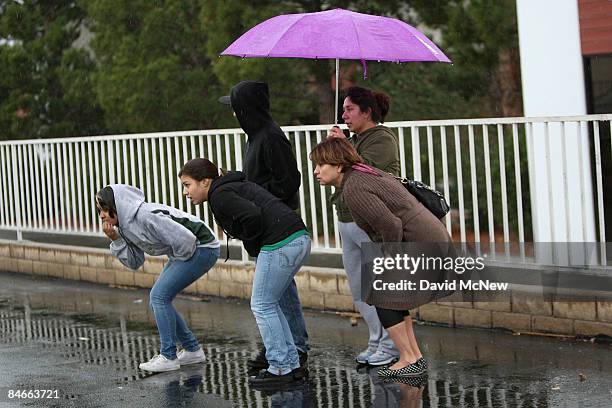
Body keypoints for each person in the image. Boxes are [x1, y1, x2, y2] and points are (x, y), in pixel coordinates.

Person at [310, 138, 454, 378]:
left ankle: (410, 358)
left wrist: (389, 261)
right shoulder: (361, 174)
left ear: (338, 166)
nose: (316, 171)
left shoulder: (354, 188)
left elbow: (390, 225)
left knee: (383, 295)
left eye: (320, 165)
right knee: (390, 297)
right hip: (428, 238)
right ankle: (413, 357)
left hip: (422, 242)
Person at [178, 158, 311, 386]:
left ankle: (280, 367)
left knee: (262, 305)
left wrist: (250, 240)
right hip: (298, 237)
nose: (185, 192)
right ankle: (291, 364)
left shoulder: (220, 195)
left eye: (188, 185)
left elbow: (252, 216)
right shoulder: (229, 186)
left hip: (281, 242)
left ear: (205, 182)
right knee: (270, 303)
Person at [220, 80, 310, 371]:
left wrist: (258, 197)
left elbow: (289, 180)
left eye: (235, 109)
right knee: (281, 293)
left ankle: (291, 350)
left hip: (275, 228)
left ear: (245, 109)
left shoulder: (271, 137)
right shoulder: (255, 136)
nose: (233, 115)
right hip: (265, 229)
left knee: (270, 297)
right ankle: (289, 345)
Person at [95, 184, 220, 373]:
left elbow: (185, 240)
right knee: (158, 300)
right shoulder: (123, 227)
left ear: (117, 204)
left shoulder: (145, 215)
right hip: (188, 250)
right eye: (99, 211)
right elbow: (135, 262)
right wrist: (116, 240)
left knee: (159, 297)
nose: (102, 215)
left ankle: (168, 356)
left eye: (104, 209)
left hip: (203, 246)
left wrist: (179, 260)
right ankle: (193, 350)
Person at [327, 86, 400, 366]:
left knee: (379, 286)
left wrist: (342, 146)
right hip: (347, 217)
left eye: (349, 109)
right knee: (359, 288)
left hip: (368, 220)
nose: (344, 115)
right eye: (343, 109)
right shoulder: (355, 139)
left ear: (367, 112)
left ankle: (391, 345)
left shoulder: (381, 138)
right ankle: (376, 339)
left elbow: (367, 172)